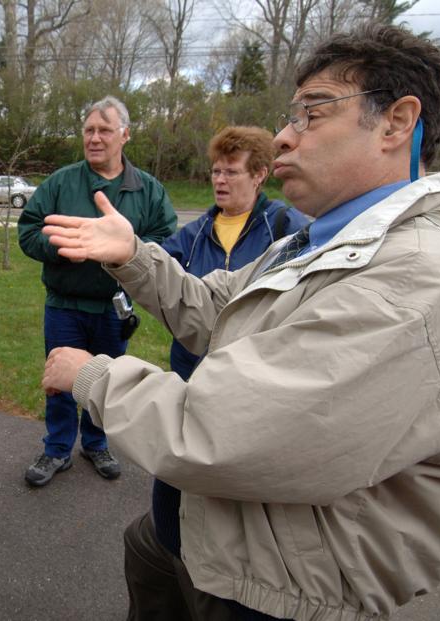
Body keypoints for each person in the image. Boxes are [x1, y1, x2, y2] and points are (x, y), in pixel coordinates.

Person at [39, 23, 440, 621]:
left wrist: (93, 376)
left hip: (270, 595)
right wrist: (134, 255)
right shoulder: (324, 242)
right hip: (198, 546)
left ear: (396, 122)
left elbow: (221, 435)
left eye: (313, 113)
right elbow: (214, 310)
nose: (284, 136)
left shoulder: (413, 280)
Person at [151, 126, 309, 574]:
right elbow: (163, 279)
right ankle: (173, 557)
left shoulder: (287, 229)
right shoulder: (195, 232)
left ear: (259, 175)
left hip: (252, 382)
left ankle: (229, 571)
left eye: (232, 172)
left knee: (231, 482)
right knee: (175, 469)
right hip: (190, 373)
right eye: (216, 171)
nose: (220, 180)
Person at [17, 95, 177, 487]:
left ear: (125, 135)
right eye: (89, 130)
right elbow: (28, 230)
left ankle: (95, 442)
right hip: (64, 304)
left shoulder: (147, 190)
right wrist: (62, 250)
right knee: (59, 379)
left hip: (113, 307)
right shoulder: (61, 182)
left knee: (104, 377)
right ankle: (56, 448)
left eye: (104, 130)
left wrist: (127, 254)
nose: (94, 138)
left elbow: (166, 239)